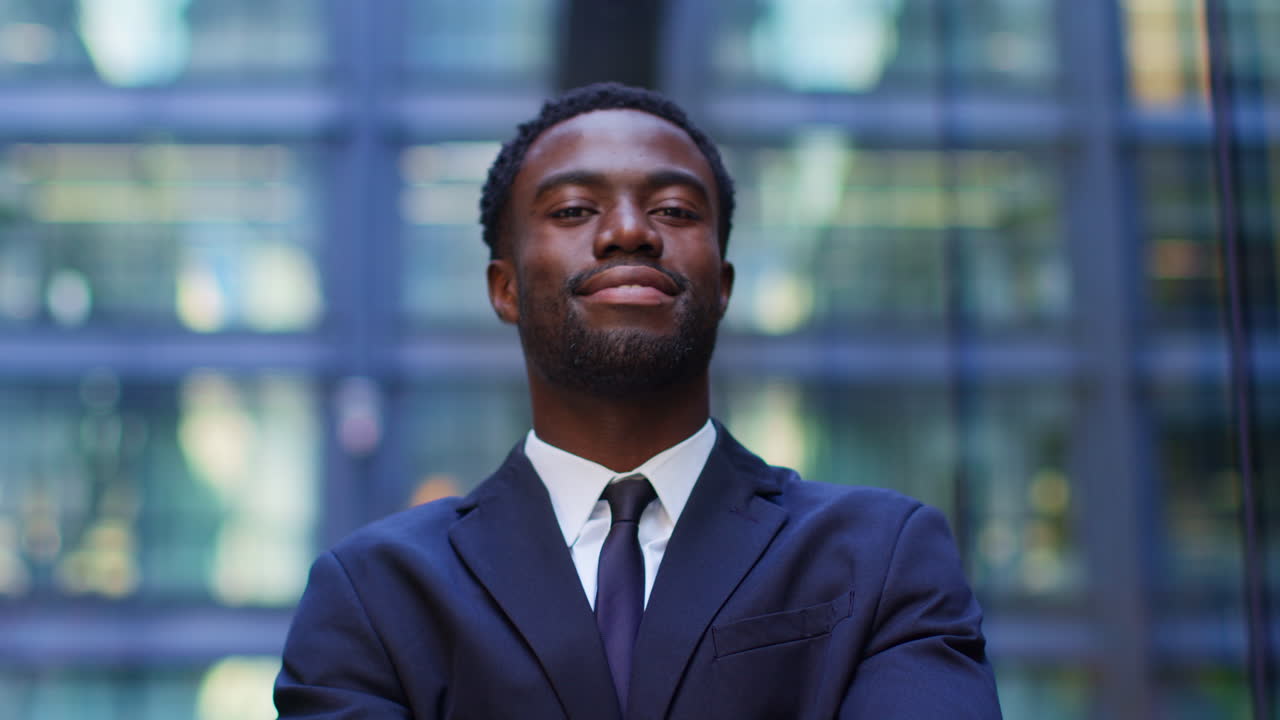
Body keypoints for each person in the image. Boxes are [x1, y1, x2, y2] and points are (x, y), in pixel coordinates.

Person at [274, 82, 1001, 719]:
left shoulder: (881, 556)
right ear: (505, 289)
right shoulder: (375, 595)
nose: (629, 231)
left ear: (722, 284)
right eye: (574, 209)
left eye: (676, 209)